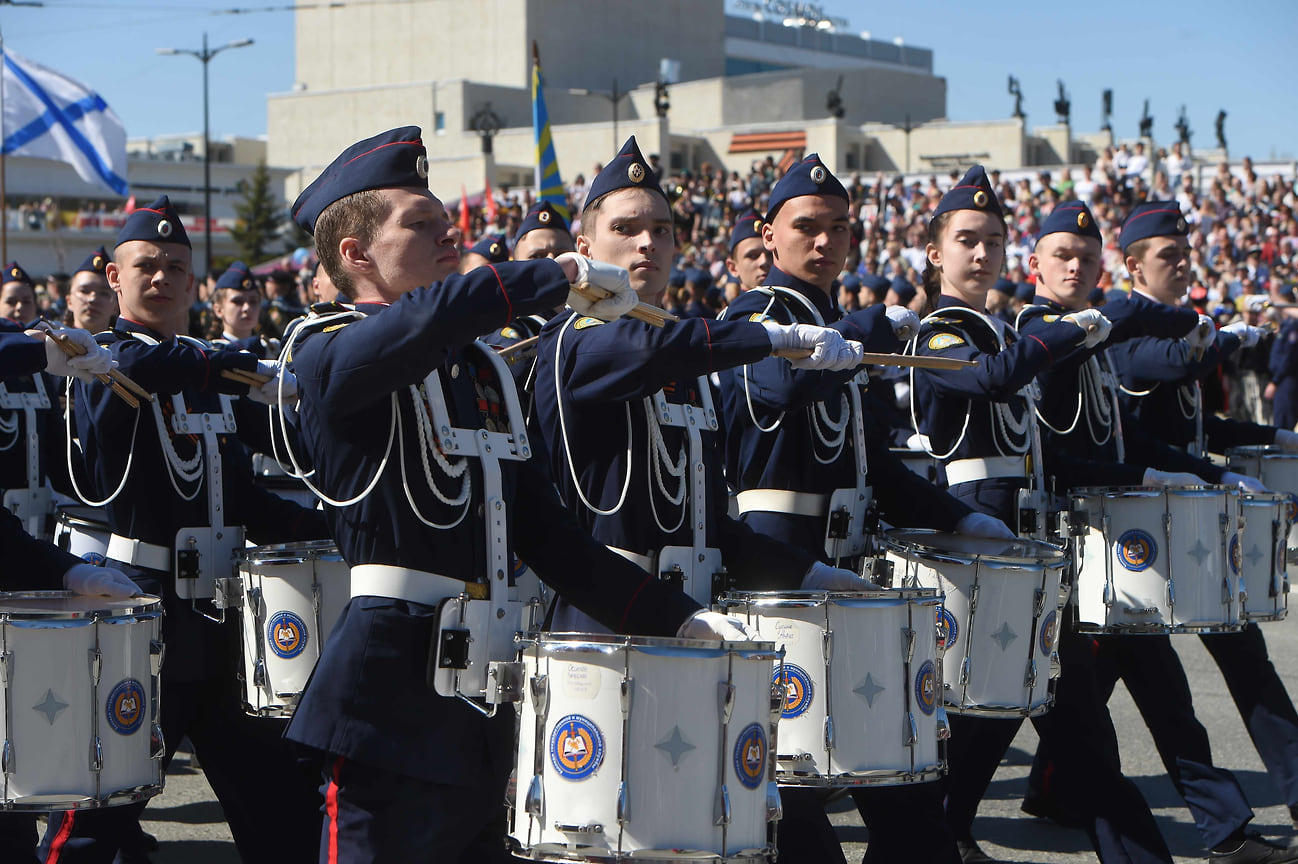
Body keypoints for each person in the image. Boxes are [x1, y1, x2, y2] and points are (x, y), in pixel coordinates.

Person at [281, 127, 743, 864]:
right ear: (356, 255)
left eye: (446, 224)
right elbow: (418, 327)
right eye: (420, 225)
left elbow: (554, 544)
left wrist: (684, 623)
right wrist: (552, 277)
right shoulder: (326, 349)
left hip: (484, 699)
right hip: (389, 697)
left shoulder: (478, 375)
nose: (448, 236)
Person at [718, 154, 1013, 864]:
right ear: (770, 233)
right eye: (808, 228)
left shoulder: (826, 325)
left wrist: (959, 517)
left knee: (902, 794)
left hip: (842, 581)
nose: (825, 243)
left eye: (839, 229)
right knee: (801, 797)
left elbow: (871, 463)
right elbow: (774, 392)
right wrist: (846, 340)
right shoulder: (758, 314)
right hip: (779, 577)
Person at [41, 195, 329, 864]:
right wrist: (234, 366)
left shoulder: (207, 373)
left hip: (223, 616)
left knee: (281, 810)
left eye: (177, 265)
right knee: (98, 808)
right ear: (115, 278)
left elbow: (247, 496)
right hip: (144, 610)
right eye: (146, 264)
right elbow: (140, 370)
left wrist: (338, 524)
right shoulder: (102, 361)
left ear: (195, 279)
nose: (163, 276)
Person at [1015, 202, 1296, 864]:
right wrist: (1212, 338)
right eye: (1168, 257)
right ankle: (952, 814)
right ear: (1133, 266)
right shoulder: (1078, 337)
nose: (1079, 268)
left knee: (1135, 689)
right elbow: (1150, 382)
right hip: (1093, 540)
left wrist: (1216, 466)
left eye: (1088, 257)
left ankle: (1213, 826)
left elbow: (1145, 430)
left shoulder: (1092, 337)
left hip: (1129, 537)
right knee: (1025, 713)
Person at [911, 173, 1175, 864]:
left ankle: (949, 831)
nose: (982, 254)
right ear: (935, 254)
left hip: (1023, 542)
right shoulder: (938, 333)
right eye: (966, 241)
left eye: (994, 241)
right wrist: (1073, 329)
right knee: (1002, 707)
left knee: (1037, 709)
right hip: (974, 536)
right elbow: (988, 380)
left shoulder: (1001, 329)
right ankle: (942, 833)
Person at [532, 135, 865, 636]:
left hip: (693, 609)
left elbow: (711, 525)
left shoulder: (683, 358)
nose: (647, 242)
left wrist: (809, 573)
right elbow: (643, 349)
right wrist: (770, 338)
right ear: (584, 249)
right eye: (624, 228)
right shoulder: (577, 337)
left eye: (661, 230)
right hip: (603, 619)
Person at [209, 261, 275, 357]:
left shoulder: (270, 350)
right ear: (218, 310)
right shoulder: (213, 352)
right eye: (237, 301)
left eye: (253, 301)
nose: (247, 308)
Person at [65, 247, 118, 334]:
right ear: (69, 301)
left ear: (116, 307)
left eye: (104, 293)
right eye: (84, 291)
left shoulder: (127, 346)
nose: (93, 299)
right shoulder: (51, 344)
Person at [725, 208, 771, 292]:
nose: (764, 261)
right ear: (733, 268)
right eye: (753, 256)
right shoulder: (738, 305)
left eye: (770, 255)